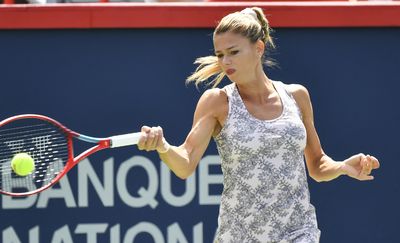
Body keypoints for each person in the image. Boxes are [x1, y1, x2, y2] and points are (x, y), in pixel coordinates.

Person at [137, 7, 380, 243]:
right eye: (220, 54)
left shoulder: (297, 96)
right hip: (239, 235)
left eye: (233, 52)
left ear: (259, 48)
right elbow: (185, 165)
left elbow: (317, 165)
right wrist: (163, 147)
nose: (225, 61)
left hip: (299, 231)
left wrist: (342, 166)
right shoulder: (217, 102)